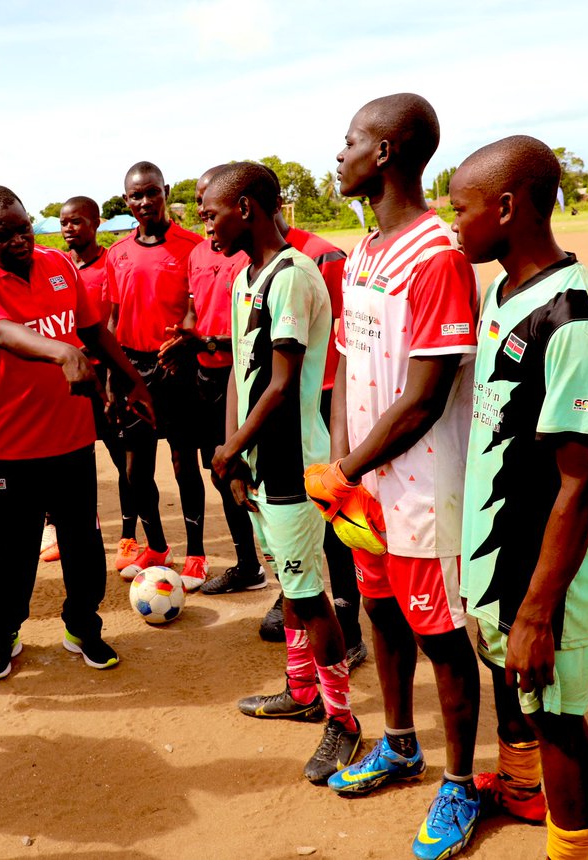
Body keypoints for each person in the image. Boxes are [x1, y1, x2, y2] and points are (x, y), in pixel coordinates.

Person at [309, 94, 482, 860]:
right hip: (367, 485)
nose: (336, 155)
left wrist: (346, 466)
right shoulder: (368, 251)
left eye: (348, 142)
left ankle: (460, 783)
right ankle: (400, 743)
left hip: (423, 491)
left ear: (383, 154)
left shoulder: (437, 254)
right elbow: (348, 364)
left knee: (439, 634)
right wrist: (346, 466)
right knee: (379, 613)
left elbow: (426, 397)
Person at [452, 135, 588, 860]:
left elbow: (581, 481)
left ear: (506, 206)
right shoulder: (503, 291)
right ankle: (517, 790)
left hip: (545, 582)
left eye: (457, 206)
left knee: (558, 717)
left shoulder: (575, 320)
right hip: (503, 558)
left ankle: (572, 853)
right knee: (525, 702)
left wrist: (536, 612)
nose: (449, 219)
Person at [0, 185, 153, 680]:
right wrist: (60, 353)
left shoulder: (58, 265)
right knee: (12, 557)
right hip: (9, 448)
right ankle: (4, 636)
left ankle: (83, 627)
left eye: (24, 228)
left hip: (71, 439)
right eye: (4, 235)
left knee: (83, 546)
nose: (20, 240)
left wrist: (133, 382)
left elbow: (92, 332)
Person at [204, 162, 361, 785]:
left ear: (245, 206)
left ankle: (343, 723)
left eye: (210, 209)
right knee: (289, 584)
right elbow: (242, 379)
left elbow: (284, 382)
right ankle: (301, 692)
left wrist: (231, 448)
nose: (204, 222)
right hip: (260, 464)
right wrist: (234, 454)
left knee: (306, 594)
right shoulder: (250, 275)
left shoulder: (293, 276)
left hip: (294, 467)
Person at [257, 172, 366, 671]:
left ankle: (347, 617)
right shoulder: (246, 265)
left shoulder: (320, 258)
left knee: (330, 510)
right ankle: (297, 599)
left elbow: (351, 338)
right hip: (275, 408)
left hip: (320, 402)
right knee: (284, 521)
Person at [158, 165, 263, 595]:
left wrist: (207, 340)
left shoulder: (249, 255)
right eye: (199, 201)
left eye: (208, 201)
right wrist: (184, 338)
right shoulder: (199, 254)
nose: (203, 209)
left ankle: (288, 578)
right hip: (206, 380)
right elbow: (194, 309)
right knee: (223, 473)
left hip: (245, 379)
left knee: (258, 476)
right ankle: (247, 564)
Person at [104, 161, 207, 590]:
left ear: (165, 191)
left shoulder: (192, 247)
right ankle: (158, 546)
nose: (144, 202)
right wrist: (112, 376)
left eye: (151, 193)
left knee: (184, 462)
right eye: (135, 196)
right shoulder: (118, 253)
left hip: (175, 369)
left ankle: (197, 554)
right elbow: (111, 319)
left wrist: (187, 333)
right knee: (136, 469)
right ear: (126, 200)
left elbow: (196, 305)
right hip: (131, 368)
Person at [52, 195, 138, 568]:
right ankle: (72, 533)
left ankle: (130, 537)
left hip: (106, 373)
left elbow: (112, 325)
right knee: (71, 463)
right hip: (73, 377)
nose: (69, 229)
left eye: (77, 222)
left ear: (96, 223)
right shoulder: (59, 270)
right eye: (64, 223)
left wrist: (115, 379)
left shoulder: (110, 265)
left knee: (123, 460)